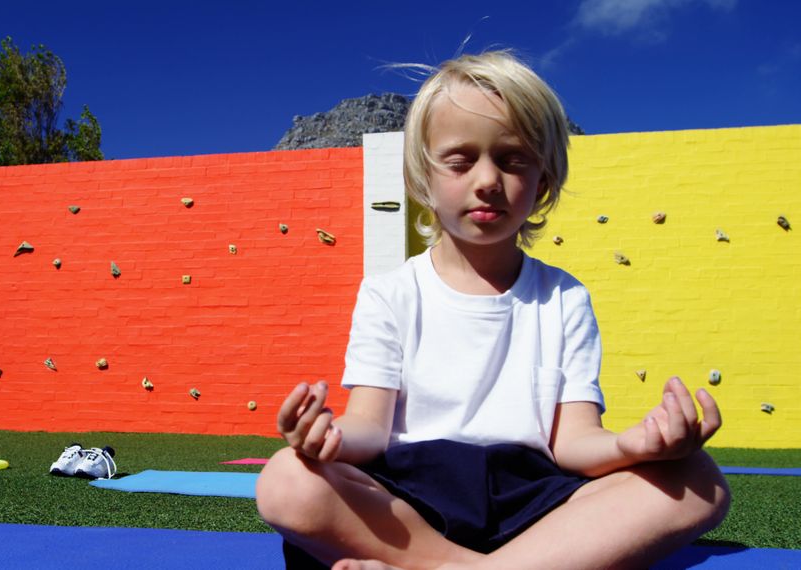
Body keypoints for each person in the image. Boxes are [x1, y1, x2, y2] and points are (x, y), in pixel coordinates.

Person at [255, 50, 730, 570]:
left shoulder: (564, 297)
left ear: (543, 182)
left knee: (698, 480)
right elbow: (370, 427)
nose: (487, 179)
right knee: (286, 480)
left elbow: (574, 442)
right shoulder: (389, 292)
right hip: (407, 495)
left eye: (513, 159)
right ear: (423, 181)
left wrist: (637, 445)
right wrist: (332, 439)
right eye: (460, 161)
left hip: (532, 499)